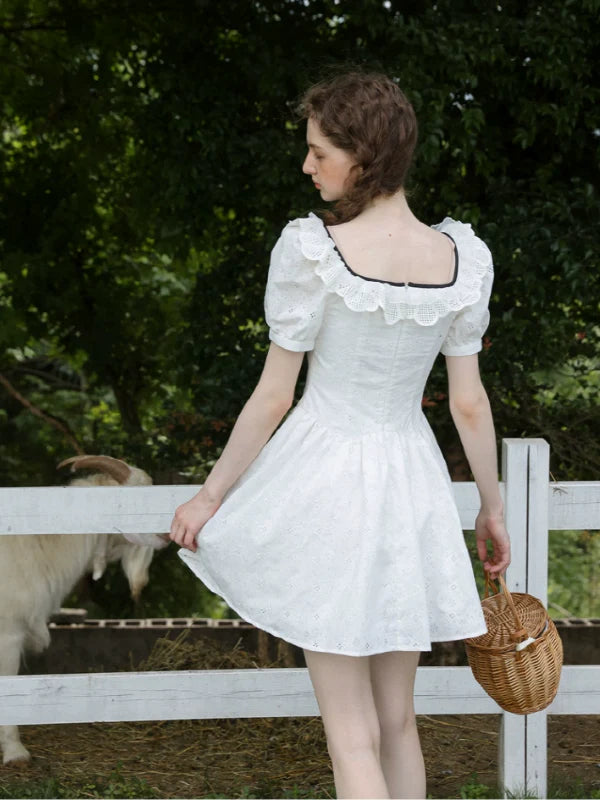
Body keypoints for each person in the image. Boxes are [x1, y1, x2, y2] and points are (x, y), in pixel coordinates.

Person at [169, 71, 511, 800]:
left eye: (319, 150)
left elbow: (272, 396)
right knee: (396, 724)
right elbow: (470, 404)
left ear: (363, 156)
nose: (307, 165)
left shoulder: (313, 251)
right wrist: (491, 508)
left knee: (350, 735)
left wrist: (209, 496)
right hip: (410, 487)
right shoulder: (460, 260)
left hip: (328, 489)